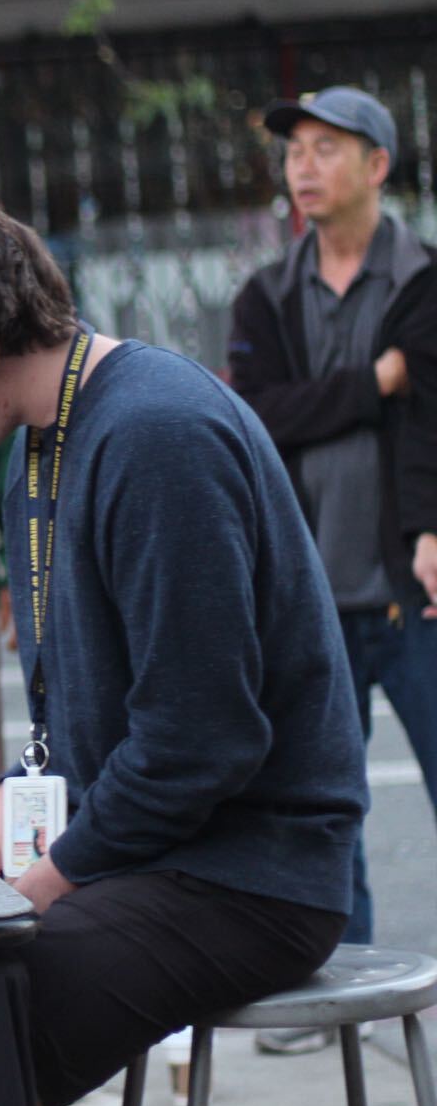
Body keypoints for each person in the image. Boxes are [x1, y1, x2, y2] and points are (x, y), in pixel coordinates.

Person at [0, 185, 365, 1106]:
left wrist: (40, 885)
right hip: (166, 859)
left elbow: (201, 741)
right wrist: (17, 792)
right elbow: (86, 702)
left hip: (249, 876)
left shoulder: (156, 435)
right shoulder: (45, 437)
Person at [226, 85, 437, 1052]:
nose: (303, 167)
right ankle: (334, 990)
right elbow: (259, 418)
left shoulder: (427, 282)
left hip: (417, 593)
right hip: (306, 595)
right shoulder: (266, 296)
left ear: (379, 165)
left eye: (327, 147)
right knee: (322, 809)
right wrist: (373, 385)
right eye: (294, 150)